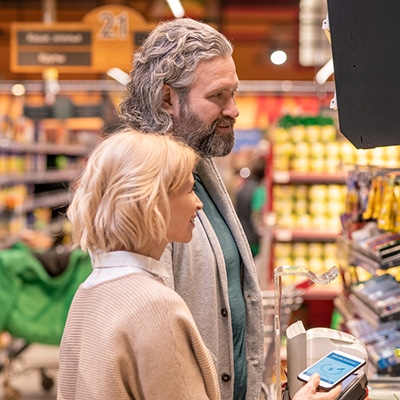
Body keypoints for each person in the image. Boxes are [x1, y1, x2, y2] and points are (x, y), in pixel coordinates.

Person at [117, 18, 340, 400]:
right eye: (218, 96)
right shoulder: (142, 190)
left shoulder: (199, 165)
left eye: (234, 93)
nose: (234, 110)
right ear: (167, 98)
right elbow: (154, 358)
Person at [58, 129, 216, 399]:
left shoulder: (87, 292)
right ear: (153, 200)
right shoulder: (157, 307)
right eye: (189, 189)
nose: (199, 204)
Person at [235, 157, 267, 257]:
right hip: (252, 239)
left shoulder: (243, 187)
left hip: (240, 234)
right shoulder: (259, 190)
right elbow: (256, 214)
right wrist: (260, 234)